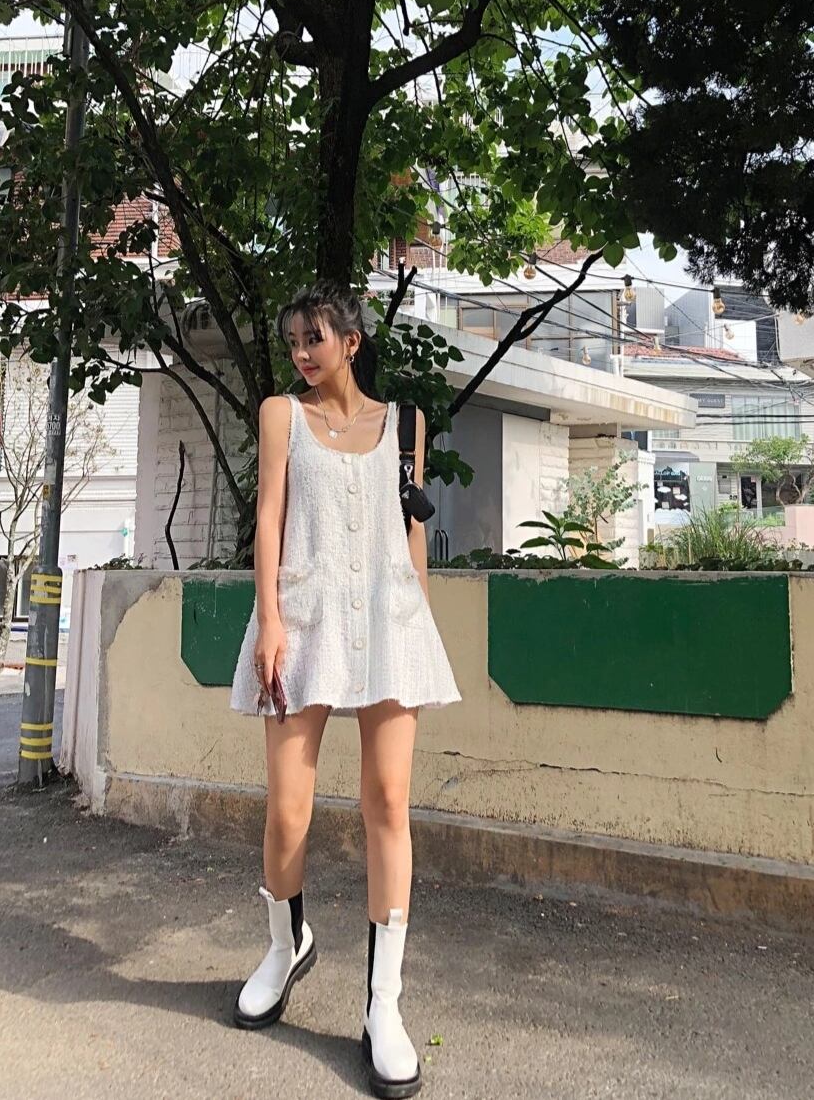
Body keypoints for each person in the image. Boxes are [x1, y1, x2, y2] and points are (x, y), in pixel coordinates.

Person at [229, 282, 462, 1099]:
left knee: (389, 801)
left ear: (351, 342)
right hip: (303, 618)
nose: (301, 352)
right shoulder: (281, 416)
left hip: (391, 623)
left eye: (315, 338)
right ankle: (285, 943)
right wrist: (269, 620)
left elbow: (412, 526)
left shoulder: (405, 423)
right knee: (287, 808)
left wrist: (419, 626)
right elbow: (268, 516)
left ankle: (383, 1003)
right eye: (293, 340)